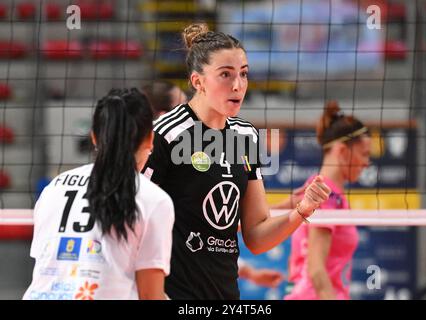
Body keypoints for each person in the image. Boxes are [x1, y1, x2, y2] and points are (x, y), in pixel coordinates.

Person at [141, 23, 331, 300]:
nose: (238, 85)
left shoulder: (245, 136)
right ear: (198, 81)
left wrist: (302, 210)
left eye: (243, 74)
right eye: (225, 75)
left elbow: (255, 235)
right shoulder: (167, 133)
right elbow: (132, 221)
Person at [23, 88, 175, 300]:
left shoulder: (54, 187)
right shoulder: (154, 199)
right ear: (150, 139)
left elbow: (45, 266)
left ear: (94, 137)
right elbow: (150, 296)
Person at [142, 80, 285, 289]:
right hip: (169, 285)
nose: (189, 109)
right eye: (182, 105)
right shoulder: (161, 150)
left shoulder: (236, 139)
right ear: (165, 115)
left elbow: (215, 226)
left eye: (243, 73)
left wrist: (250, 273)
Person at [278, 100, 371, 300]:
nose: (367, 163)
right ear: (343, 152)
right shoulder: (326, 194)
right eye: (364, 154)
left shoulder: (320, 190)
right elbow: (316, 271)